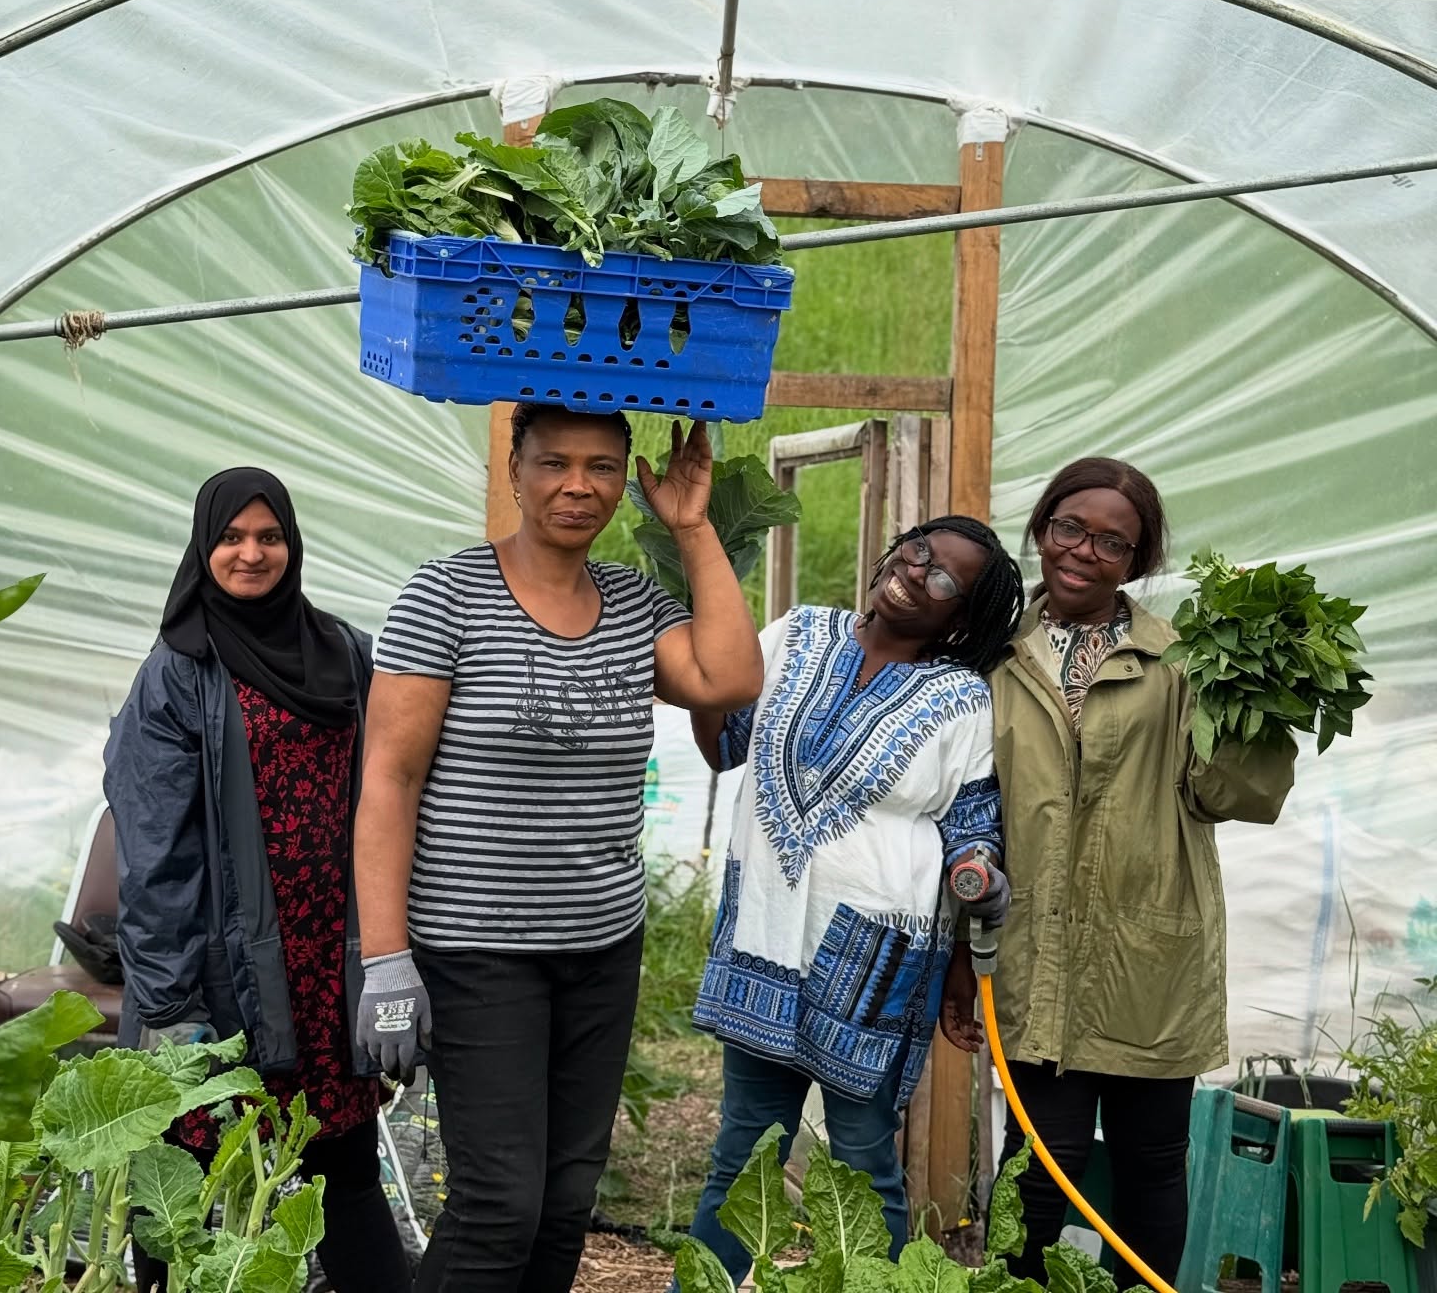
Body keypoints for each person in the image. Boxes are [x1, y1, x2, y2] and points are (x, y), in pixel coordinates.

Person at [353, 408, 763, 1293]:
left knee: (564, 1200)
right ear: (514, 469)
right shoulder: (447, 595)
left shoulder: (634, 605)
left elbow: (730, 678)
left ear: (626, 480)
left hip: (599, 944)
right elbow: (388, 779)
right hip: (476, 948)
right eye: (555, 463)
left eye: (603, 468)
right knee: (500, 1204)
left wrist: (689, 526)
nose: (578, 487)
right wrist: (386, 962)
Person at [684, 517, 1027, 1284]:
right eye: (918, 551)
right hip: (764, 941)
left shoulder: (961, 698)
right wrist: (708, 672)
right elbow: (725, 742)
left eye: (943, 579)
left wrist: (978, 875)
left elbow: (974, 821)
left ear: (961, 619)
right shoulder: (798, 631)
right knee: (744, 1159)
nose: (915, 571)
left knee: (865, 1163)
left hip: (877, 964)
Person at [988, 457, 1298, 1287]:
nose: (1084, 552)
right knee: (1036, 1169)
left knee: (1151, 1165)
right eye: (1069, 529)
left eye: (1113, 542)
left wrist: (1263, 700)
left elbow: (1231, 796)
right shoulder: (994, 653)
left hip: (1149, 953)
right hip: (1033, 951)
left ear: (1140, 561)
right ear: (1042, 529)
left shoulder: (1183, 663)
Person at [104, 467, 410, 1293]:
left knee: (341, 1172)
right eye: (232, 538)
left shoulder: (344, 652)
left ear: (293, 544)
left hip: (322, 967)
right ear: (204, 549)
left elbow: (393, 789)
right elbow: (155, 857)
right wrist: (169, 1007)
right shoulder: (177, 673)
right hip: (216, 976)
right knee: (185, 1187)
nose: (251, 553)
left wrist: (388, 957)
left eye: (268, 536)